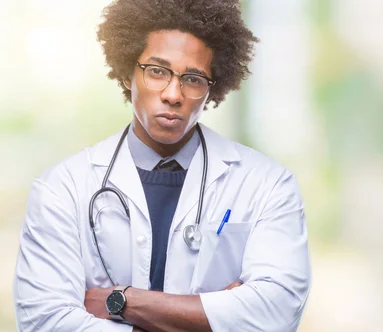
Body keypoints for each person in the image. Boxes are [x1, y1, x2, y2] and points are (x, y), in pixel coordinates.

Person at [13, 0, 311, 331]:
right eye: (157, 71)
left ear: (212, 89)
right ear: (128, 73)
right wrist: (212, 317)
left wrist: (123, 301)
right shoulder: (63, 188)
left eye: (194, 78)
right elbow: (45, 320)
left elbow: (277, 313)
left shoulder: (267, 185)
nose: (173, 93)